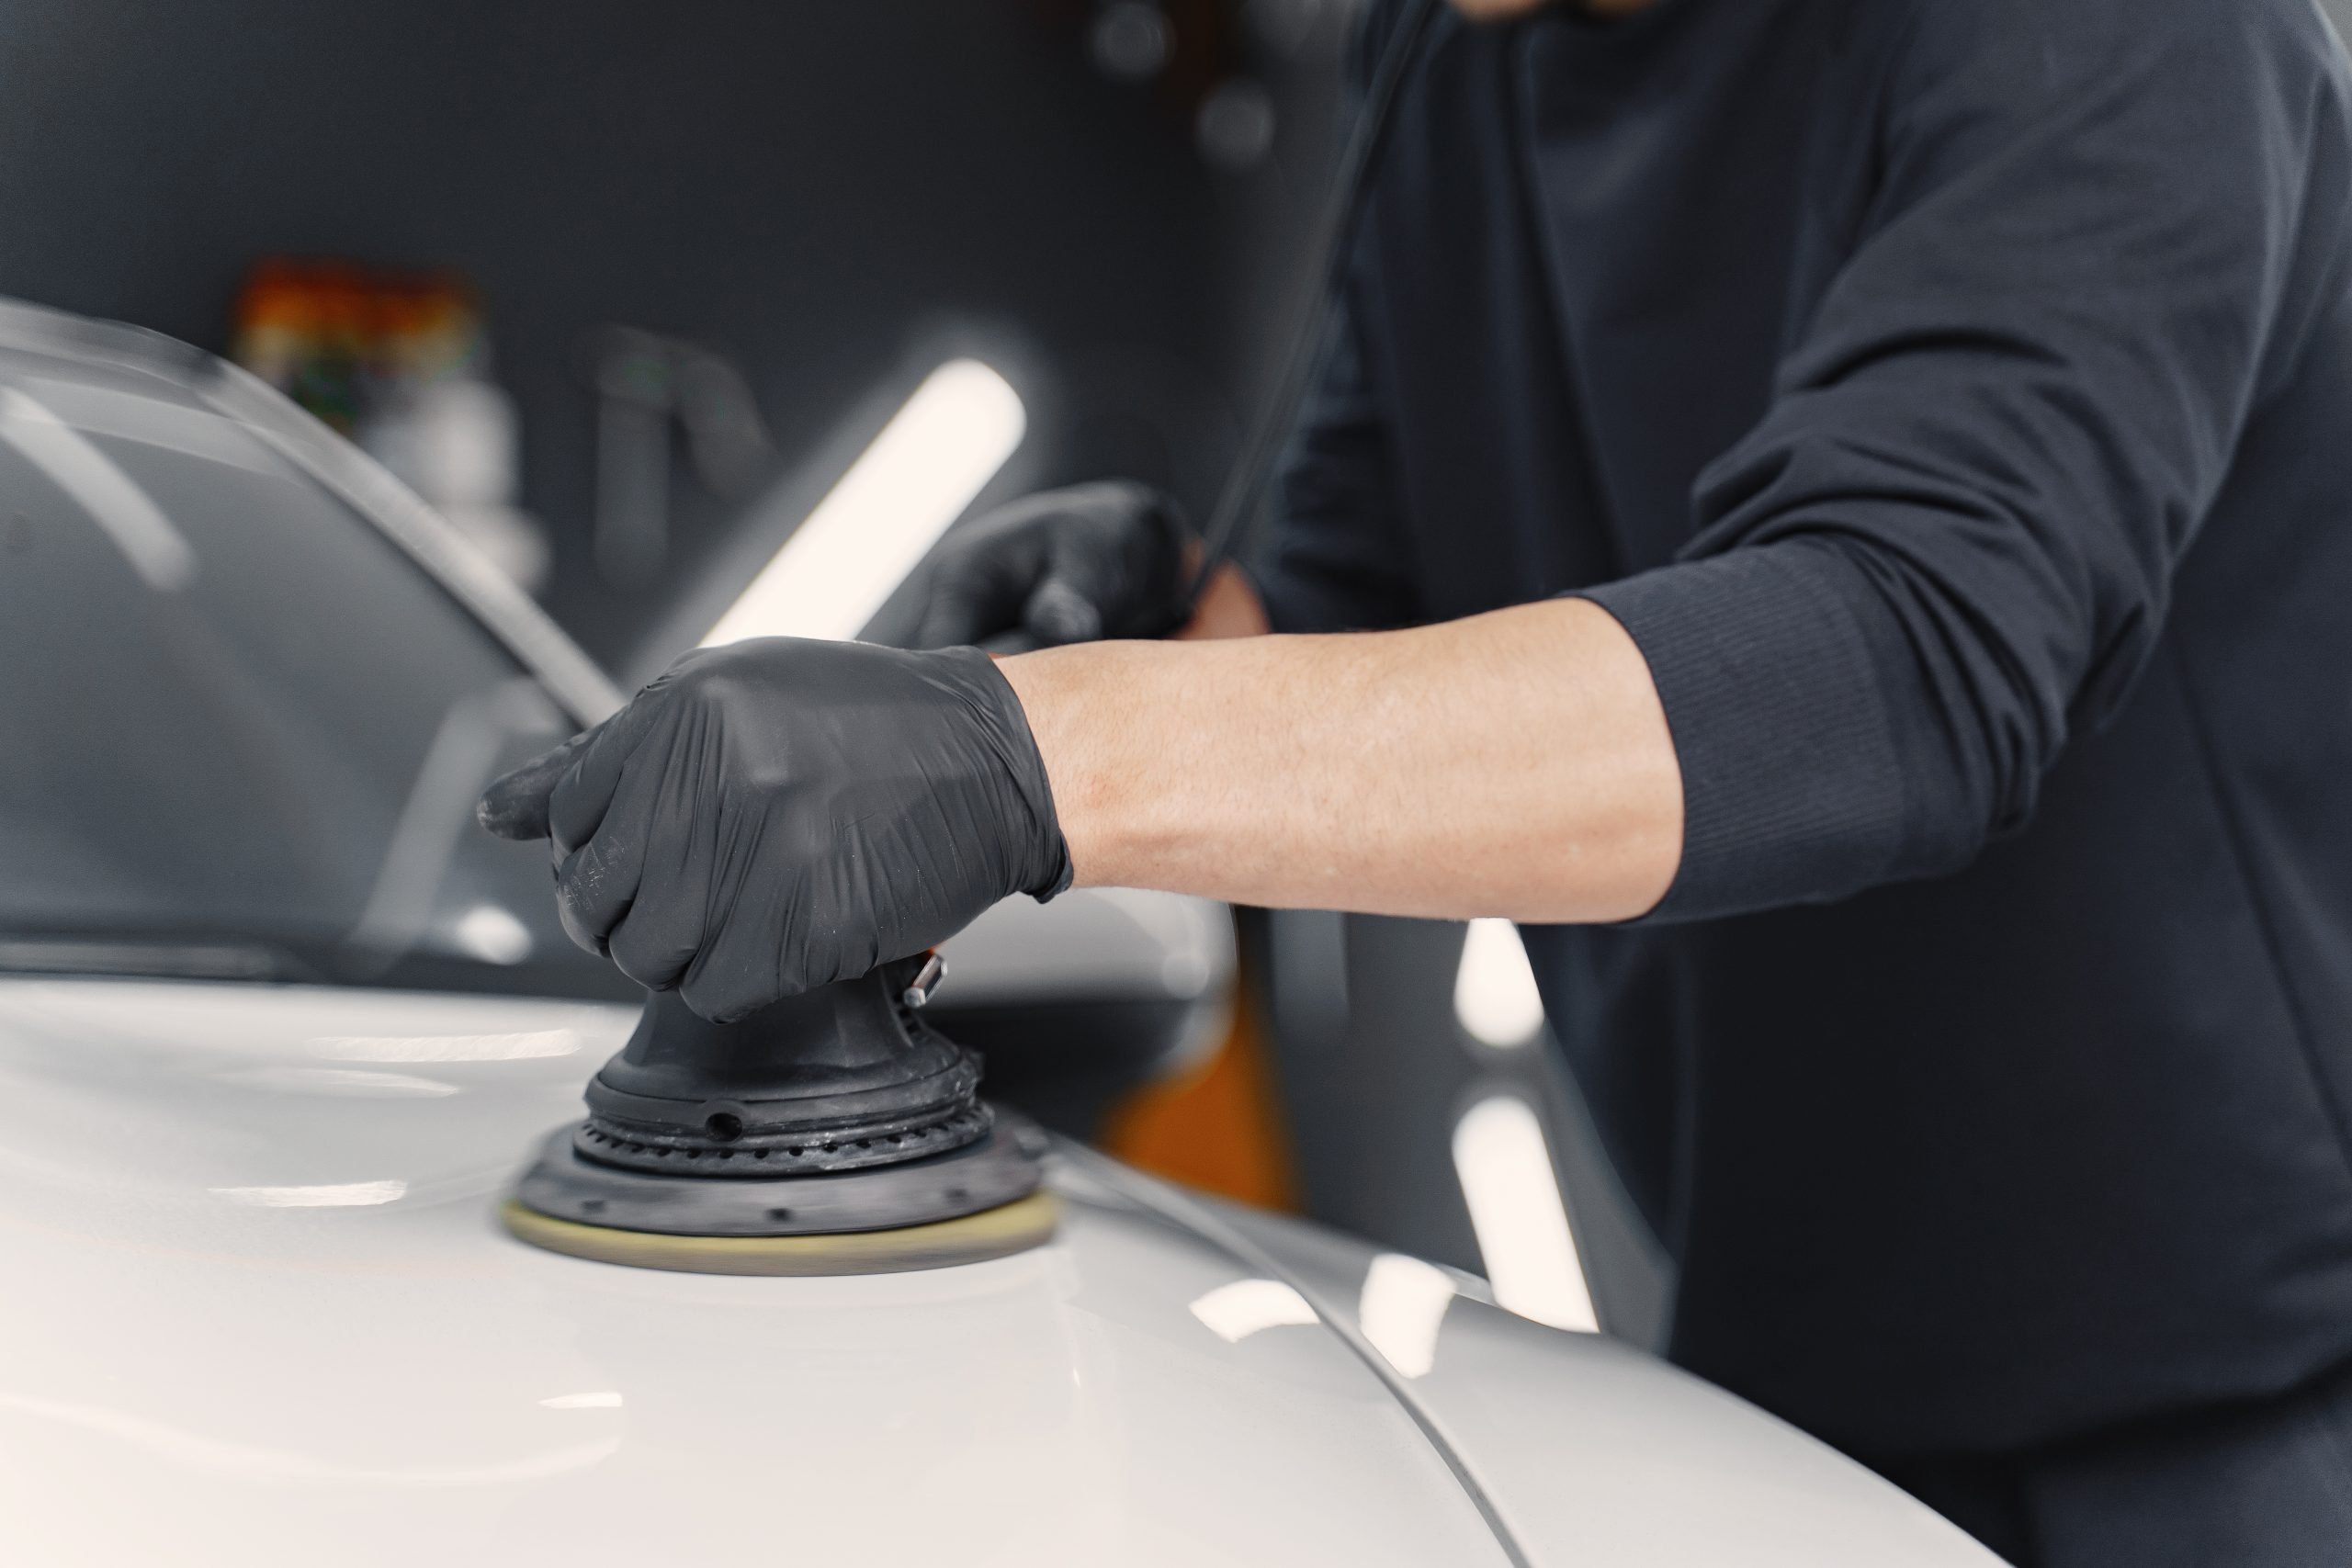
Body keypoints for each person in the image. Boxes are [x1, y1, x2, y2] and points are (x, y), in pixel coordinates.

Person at [481, 0, 2352, 1559]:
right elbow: (1333, 627)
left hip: (2222, 1401)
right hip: (1771, 1351)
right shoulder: (1459, 63)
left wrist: (1034, 744)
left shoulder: (2122, 29)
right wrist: (1118, 635)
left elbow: (1900, 657)